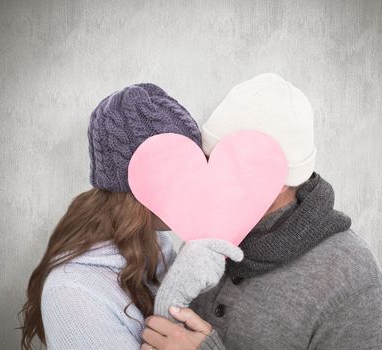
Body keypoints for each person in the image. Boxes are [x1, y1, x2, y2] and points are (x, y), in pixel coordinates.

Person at [141, 73, 382, 350]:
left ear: (278, 179)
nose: (210, 179)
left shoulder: (351, 280)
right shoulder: (209, 236)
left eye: (230, 165)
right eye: (210, 160)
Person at [18, 83, 242, 350]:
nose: (198, 187)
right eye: (184, 172)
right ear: (143, 186)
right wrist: (173, 299)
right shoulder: (72, 294)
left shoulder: (158, 246)